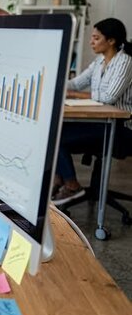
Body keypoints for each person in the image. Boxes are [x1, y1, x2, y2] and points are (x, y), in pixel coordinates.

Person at [52, 18, 132, 204]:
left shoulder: (125, 62)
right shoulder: (99, 62)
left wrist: (75, 95)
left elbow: (109, 97)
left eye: (96, 38)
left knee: (57, 136)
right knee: (52, 131)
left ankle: (72, 186)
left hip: (120, 128)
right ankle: (60, 180)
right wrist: (54, 83)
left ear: (111, 40)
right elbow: (76, 83)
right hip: (100, 123)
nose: (91, 42)